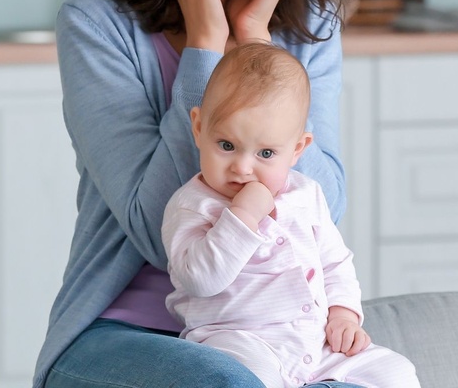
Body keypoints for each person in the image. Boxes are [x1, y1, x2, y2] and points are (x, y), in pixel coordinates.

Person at [35, 0, 355, 388]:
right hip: (125, 334)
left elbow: (320, 209)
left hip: (275, 332)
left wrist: (257, 43)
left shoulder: (308, 27)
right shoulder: (98, 28)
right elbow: (159, 233)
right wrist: (206, 43)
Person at [164, 42, 420, 388]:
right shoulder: (192, 204)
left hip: (315, 344)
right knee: (242, 379)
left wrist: (343, 314)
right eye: (226, 145)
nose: (242, 167)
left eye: (266, 152)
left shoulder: (306, 195)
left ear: (297, 149)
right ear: (198, 128)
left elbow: (335, 263)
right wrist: (242, 216)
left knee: (396, 372)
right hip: (238, 341)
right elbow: (199, 280)